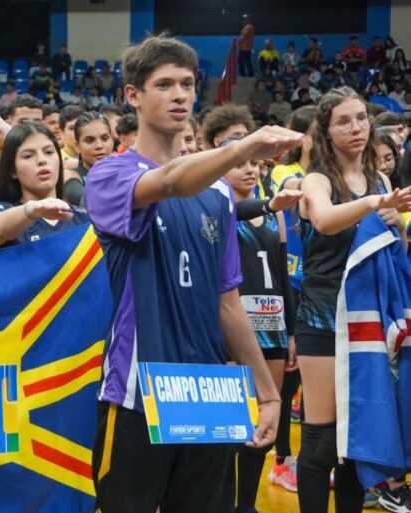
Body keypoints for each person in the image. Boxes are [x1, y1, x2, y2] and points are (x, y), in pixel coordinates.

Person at [84, 33, 301, 513]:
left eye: (186, 83)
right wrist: (243, 148)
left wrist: (268, 395)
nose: (180, 94)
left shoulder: (220, 197)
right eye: (164, 84)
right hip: (137, 392)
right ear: (133, 96)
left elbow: (229, 302)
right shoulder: (109, 176)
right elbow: (168, 182)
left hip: (208, 391)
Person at [296, 87, 411, 513]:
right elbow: (324, 221)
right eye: (343, 121)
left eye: (361, 117)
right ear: (326, 131)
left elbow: (392, 241)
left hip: (366, 320)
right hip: (322, 318)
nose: (356, 128)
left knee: (355, 438)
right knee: (322, 439)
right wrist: (374, 203)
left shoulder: (380, 179)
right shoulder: (317, 179)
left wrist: (395, 219)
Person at [221, 140, 297, 513]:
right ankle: (222, 500)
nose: (251, 170)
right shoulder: (221, 211)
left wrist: (293, 330)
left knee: (265, 417)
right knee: (233, 422)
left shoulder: (275, 214)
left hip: (273, 324)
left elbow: (282, 272)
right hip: (235, 329)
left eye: (256, 165)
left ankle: (246, 505)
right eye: (242, 164)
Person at [0, 122, 87, 248]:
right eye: (28, 156)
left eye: (49, 152)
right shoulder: (0, 211)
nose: (42, 160)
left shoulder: (84, 218)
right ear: (12, 170)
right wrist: (31, 210)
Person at [63, 111, 112, 206]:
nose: (99, 146)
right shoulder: (71, 176)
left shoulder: (123, 171)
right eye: (90, 140)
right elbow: (88, 202)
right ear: (77, 147)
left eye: (105, 138)